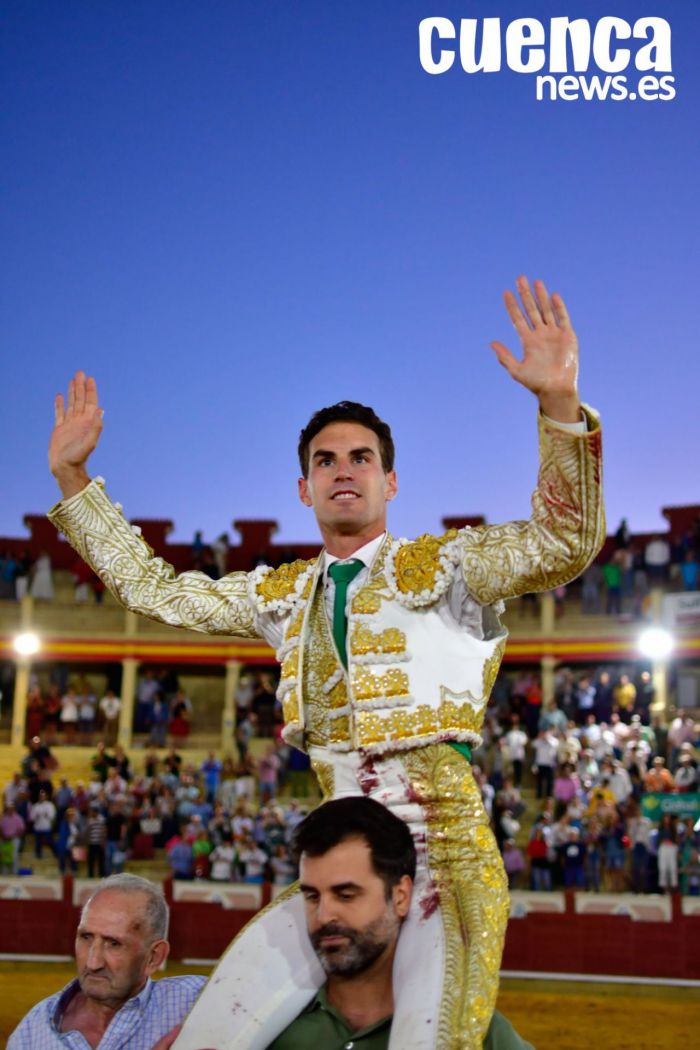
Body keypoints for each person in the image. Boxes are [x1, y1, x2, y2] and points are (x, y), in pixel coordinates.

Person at [47, 277, 604, 1049]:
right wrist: (75, 482)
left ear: (391, 480)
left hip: (443, 862)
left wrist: (559, 406)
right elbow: (156, 590)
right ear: (304, 486)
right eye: (326, 459)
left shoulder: (446, 566)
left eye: (362, 457)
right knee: (211, 1038)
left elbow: (561, 545)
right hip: (330, 868)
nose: (345, 469)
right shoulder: (280, 595)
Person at [266, 797, 532, 1049]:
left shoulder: (471, 1031)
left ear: (400, 896)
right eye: (312, 896)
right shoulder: (267, 1023)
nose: (323, 916)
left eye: (346, 895)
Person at [7, 873, 206, 1049]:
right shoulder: (33, 1031)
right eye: (86, 937)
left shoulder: (198, 1003)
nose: (93, 963)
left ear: (154, 957)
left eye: (114, 943)